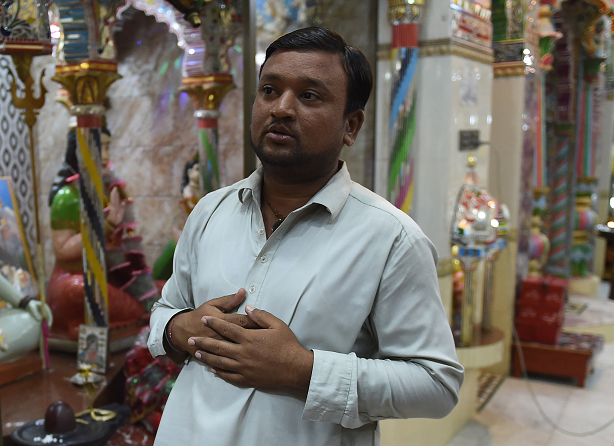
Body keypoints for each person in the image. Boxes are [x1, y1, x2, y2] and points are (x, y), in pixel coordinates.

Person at [147, 27, 464, 445]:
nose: (281, 108)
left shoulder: (390, 239)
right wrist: (178, 330)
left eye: (309, 96)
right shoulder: (210, 211)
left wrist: (304, 370)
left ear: (350, 126)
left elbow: (436, 385)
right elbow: (166, 310)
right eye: (269, 90)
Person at [47, 126, 158, 341]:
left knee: (160, 288)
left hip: (105, 276)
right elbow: (62, 252)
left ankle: (121, 320)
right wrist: (105, 226)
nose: (106, 155)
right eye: (99, 148)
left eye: (108, 147)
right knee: (80, 290)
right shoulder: (67, 196)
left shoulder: (107, 191)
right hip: (72, 279)